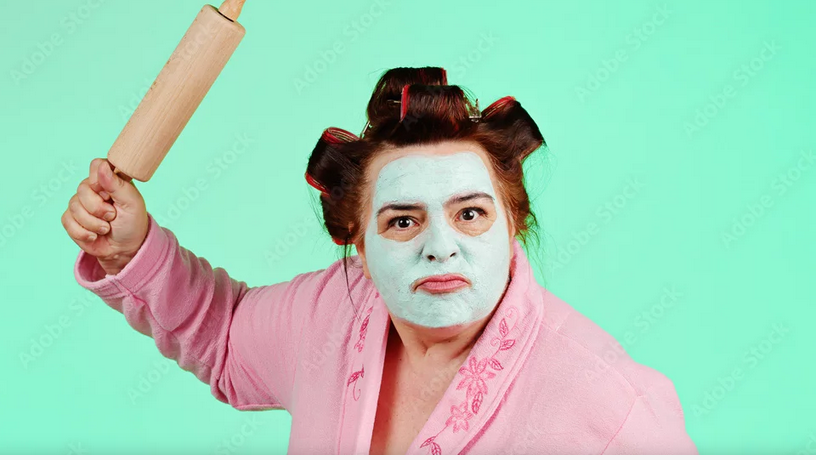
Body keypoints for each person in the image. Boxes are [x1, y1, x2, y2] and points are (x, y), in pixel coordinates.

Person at [62, 67, 697, 454]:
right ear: (358, 247)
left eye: (471, 214)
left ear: (513, 226)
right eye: (402, 220)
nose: (441, 246)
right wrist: (129, 246)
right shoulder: (331, 314)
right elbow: (227, 337)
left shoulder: (615, 410)